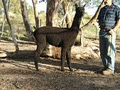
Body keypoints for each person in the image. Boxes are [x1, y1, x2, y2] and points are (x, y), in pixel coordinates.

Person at [98, 0, 120, 75]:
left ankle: (110, 69)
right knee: (102, 50)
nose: (104, 0)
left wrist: (114, 30)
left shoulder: (116, 8)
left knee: (110, 51)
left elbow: (119, 20)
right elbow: (99, 19)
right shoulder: (102, 9)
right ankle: (106, 66)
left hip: (110, 32)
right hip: (102, 32)